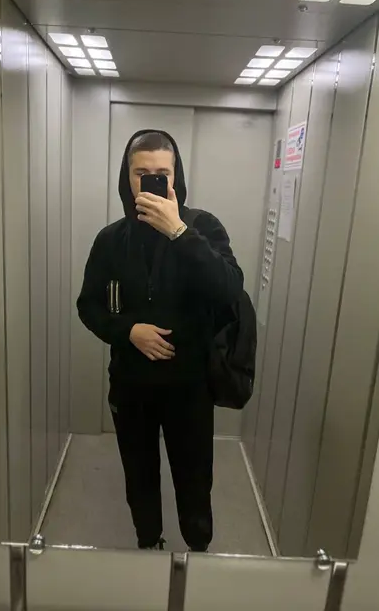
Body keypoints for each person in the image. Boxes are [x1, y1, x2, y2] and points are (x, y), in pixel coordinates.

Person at [77, 130, 244, 552]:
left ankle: (198, 550)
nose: (151, 181)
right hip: (131, 385)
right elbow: (88, 306)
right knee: (139, 476)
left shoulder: (203, 227)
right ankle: (148, 542)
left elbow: (229, 291)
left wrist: (179, 233)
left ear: (176, 177)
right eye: (141, 173)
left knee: (194, 478)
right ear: (127, 178)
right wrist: (128, 331)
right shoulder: (111, 240)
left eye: (161, 173)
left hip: (190, 387)